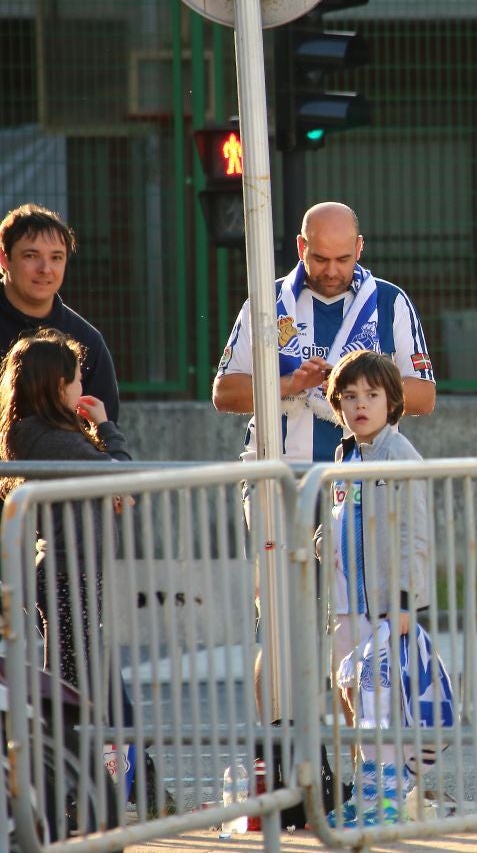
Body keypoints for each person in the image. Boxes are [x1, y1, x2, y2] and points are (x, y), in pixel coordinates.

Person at [0, 329, 171, 817]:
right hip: (66, 575)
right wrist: (106, 425)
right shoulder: (48, 437)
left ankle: (111, 789)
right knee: (74, 689)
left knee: (83, 681)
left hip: (72, 572)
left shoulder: (43, 434)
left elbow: (113, 483)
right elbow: (122, 474)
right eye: (76, 380)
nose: (82, 389)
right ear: (56, 386)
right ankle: (76, 794)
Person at [319, 349, 442, 827]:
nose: (360, 405)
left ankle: (386, 800)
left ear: (393, 402)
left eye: (371, 395)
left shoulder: (399, 453)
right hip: (346, 604)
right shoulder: (345, 452)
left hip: (384, 606)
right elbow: (340, 516)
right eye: (349, 397)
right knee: (352, 699)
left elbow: (415, 532)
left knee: (380, 701)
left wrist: (407, 601)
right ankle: (365, 790)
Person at [212, 201, 436, 464]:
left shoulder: (390, 301)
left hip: (366, 477)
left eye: (343, 259)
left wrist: (352, 387)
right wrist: (289, 385)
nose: (331, 271)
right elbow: (224, 394)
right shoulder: (266, 302)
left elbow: (424, 396)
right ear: (301, 247)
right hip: (277, 477)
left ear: (359, 248)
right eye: (320, 259)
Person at [0, 203, 120, 422]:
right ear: (4, 258)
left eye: (56, 257)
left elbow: (105, 432)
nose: (45, 268)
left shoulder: (87, 341)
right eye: (31, 255)